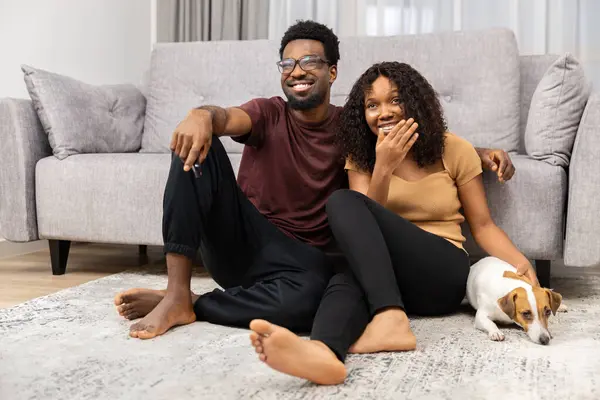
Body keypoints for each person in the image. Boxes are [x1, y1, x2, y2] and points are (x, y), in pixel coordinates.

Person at [113, 21, 515, 341]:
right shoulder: (267, 113)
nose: (297, 71)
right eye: (287, 64)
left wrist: (476, 153)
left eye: (309, 62)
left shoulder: (353, 130)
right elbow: (226, 118)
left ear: (333, 71)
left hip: (303, 265)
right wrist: (202, 115)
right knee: (195, 148)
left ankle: (195, 303)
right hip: (245, 240)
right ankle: (176, 290)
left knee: (312, 303)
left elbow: (413, 140)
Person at [248, 61, 539, 385]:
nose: (383, 112)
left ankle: (390, 319)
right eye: (372, 105)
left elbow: (483, 227)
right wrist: (383, 167)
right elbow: (359, 226)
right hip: (388, 279)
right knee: (346, 276)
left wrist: (521, 265)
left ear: (416, 103)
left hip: (442, 272)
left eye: (395, 100)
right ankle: (323, 353)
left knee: (342, 201)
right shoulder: (362, 155)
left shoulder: (453, 149)